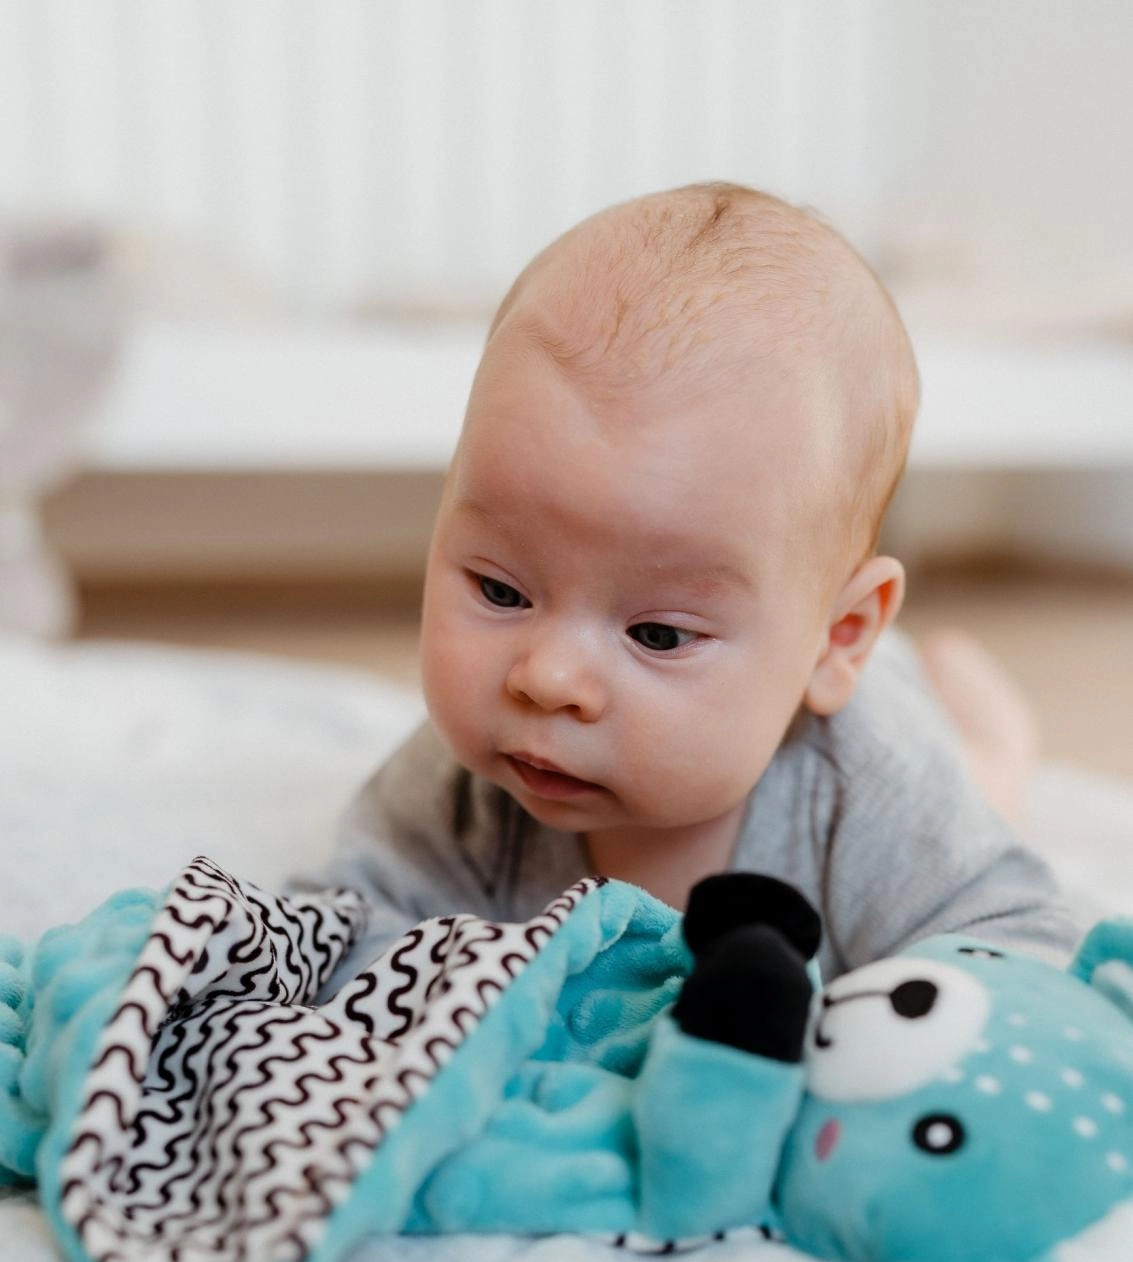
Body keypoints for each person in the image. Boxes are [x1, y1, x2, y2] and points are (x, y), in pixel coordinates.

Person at [289, 182, 1076, 991]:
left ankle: (983, 722)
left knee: (983, 781)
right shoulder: (457, 787)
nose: (546, 678)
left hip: (888, 719)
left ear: (834, 639)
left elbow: (1021, 952)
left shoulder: (867, 787)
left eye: (657, 635)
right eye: (500, 591)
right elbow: (344, 926)